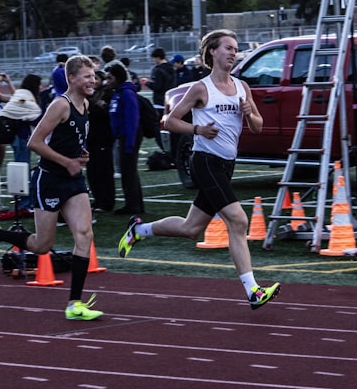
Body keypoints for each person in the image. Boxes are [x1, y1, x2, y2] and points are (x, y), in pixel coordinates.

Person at [117, 30, 281, 310]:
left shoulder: (243, 87)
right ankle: (252, 290)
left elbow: (258, 125)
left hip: (226, 165)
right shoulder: (200, 88)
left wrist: (249, 112)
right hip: (204, 161)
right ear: (213, 52)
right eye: (228, 48)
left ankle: (139, 231)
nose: (233, 52)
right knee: (239, 221)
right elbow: (168, 121)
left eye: (236, 49)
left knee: (191, 228)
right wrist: (198, 129)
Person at [0, 55, 103, 321]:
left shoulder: (85, 103)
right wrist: (67, 161)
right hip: (50, 179)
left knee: (85, 234)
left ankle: (74, 304)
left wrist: (80, 155)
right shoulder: (60, 105)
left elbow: (69, 139)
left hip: (73, 179)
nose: (93, 80)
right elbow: (35, 142)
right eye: (88, 76)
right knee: (42, 245)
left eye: (94, 75)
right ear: (72, 79)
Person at [0, 73, 43, 211]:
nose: (41, 87)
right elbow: (36, 117)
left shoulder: (22, 93)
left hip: (18, 136)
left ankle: (22, 201)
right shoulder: (25, 96)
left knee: (22, 169)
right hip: (20, 137)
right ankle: (24, 203)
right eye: (39, 84)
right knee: (23, 170)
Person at [106, 61, 144, 215]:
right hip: (123, 136)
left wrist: (129, 142)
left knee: (129, 171)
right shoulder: (118, 93)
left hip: (129, 136)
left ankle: (133, 205)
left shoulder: (127, 93)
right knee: (128, 171)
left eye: (110, 78)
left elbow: (132, 119)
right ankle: (134, 204)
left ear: (118, 77)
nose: (108, 81)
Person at [85, 66, 115, 213]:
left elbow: (103, 112)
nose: (93, 81)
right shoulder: (90, 95)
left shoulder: (107, 94)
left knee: (104, 171)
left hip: (103, 137)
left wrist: (96, 107)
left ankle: (106, 201)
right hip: (91, 138)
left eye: (96, 78)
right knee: (92, 172)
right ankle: (98, 200)